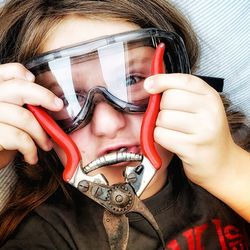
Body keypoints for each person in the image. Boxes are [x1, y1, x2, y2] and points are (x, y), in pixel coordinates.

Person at [0, 0, 249, 249]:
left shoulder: (233, 148)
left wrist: (229, 169)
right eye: (67, 99)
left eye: (131, 80)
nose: (108, 125)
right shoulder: (47, 234)